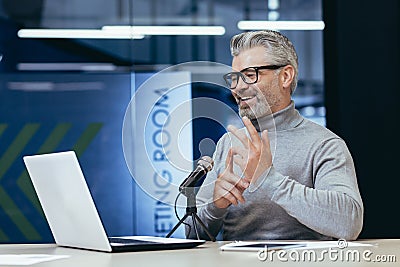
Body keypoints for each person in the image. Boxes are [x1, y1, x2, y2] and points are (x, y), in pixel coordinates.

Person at [186, 30, 363, 241]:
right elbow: (190, 233)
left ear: (285, 76)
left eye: (250, 75)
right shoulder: (229, 143)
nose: (238, 87)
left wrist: (270, 181)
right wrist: (215, 207)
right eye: (234, 77)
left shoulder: (324, 144)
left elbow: (349, 223)